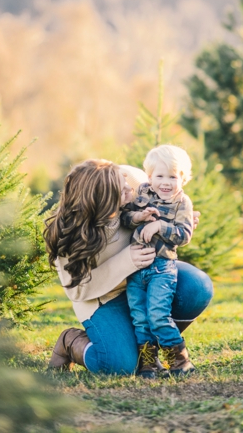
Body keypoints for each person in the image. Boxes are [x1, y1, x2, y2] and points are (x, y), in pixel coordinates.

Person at [43, 159, 213, 376]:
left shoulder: (131, 179)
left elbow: (170, 198)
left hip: (148, 277)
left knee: (195, 286)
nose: (129, 188)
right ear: (101, 198)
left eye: (124, 180)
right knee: (118, 366)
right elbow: (76, 290)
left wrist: (179, 224)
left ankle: (151, 351)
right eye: (120, 188)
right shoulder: (70, 232)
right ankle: (70, 341)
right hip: (103, 298)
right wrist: (127, 261)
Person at [121, 145, 195, 378]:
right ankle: (148, 364)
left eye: (173, 177)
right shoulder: (142, 192)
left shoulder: (182, 202)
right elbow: (125, 218)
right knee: (140, 318)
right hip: (136, 269)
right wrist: (138, 217)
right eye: (159, 176)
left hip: (162, 268)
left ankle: (180, 361)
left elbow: (184, 235)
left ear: (182, 178)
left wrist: (159, 226)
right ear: (149, 176)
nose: (165, 182)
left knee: (157, 314)